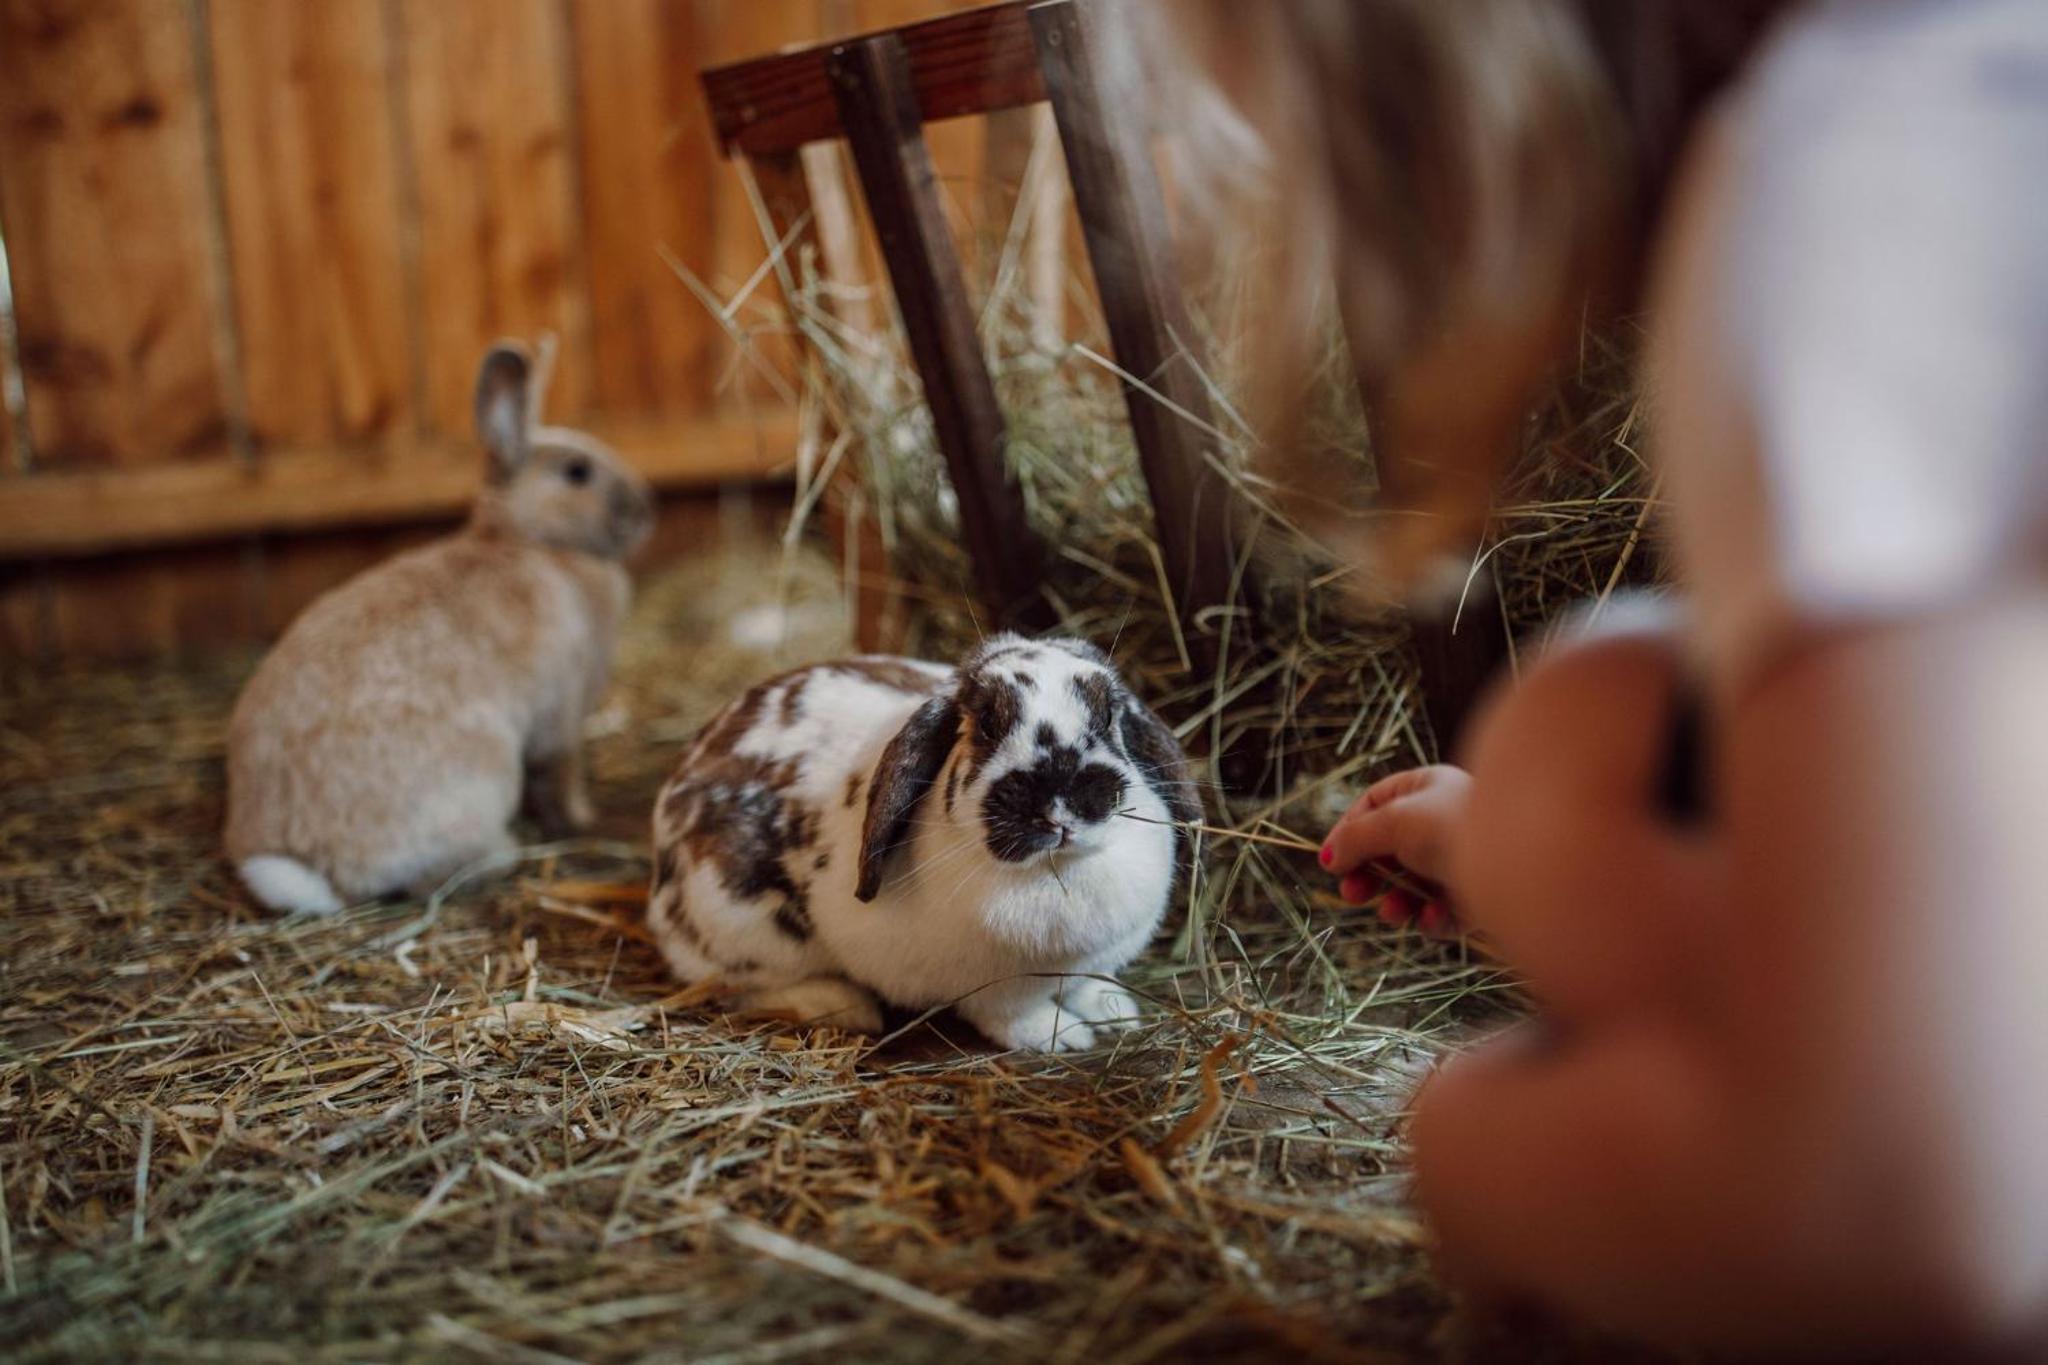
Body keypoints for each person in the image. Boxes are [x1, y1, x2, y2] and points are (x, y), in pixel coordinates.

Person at [1135, 0, 2048, 1352]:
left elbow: (1910, 1221)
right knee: (1591, 717)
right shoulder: (1970, 80)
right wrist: (1535, 859)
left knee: (1587, 712)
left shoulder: (1854, 180)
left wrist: (1468, 1149)